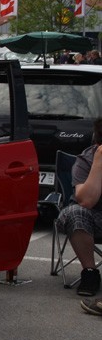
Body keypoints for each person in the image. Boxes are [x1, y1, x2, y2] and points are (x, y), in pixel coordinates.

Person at [57, 118, 102, 305]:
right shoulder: (86, 160)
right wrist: (99, 161)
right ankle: (90, 273)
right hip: (92, 218)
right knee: (75, 212)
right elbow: (86, 201)